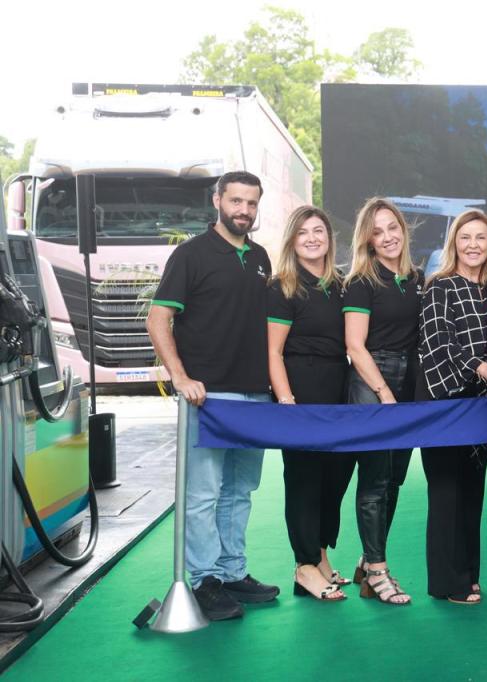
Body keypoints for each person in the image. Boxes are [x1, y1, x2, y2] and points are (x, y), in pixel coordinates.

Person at [146, 170, 280, 621]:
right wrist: (180, 376)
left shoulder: (260, 257)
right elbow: (158, 318)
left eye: (251, 203)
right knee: (203, 494)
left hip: (255, 397)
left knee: (240, 490)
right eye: (236, 201)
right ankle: (204, 581)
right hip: (209, 398)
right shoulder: (191, 254)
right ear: (217, 200)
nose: (244, 210)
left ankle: (231, 572)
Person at [418, 209, 487, 605]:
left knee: (472, 493)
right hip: (446, 402)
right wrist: (481, 368)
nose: (473, 245)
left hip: (482, 405)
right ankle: (447, 581)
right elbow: (438, 342)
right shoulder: (439, 286)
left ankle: (469, 574)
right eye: (465, 237)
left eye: (481, 238)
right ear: (454, 242)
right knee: (446, 494)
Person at [267, 205, 353, 602]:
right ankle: (303, 566)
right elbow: (273, 351)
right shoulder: (282, 287)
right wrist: (286, 400)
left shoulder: (340, 285)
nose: (312, 238)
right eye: (303, 232)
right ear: (292, 240)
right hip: (300, 390)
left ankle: (319, 555)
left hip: (338, 389)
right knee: (304, 479)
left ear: (329, 239)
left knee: (335, 475)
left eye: (319, 230)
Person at [342, 197, 422, 606]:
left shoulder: (417, 277)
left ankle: (367, 561)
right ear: (368, 240)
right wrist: (384, 392)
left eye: (392, 227)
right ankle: (377, 571)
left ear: (403, 230)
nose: (388, 237)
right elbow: (355, 346)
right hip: (371, 382)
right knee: (374, 481)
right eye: (378, 231)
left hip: (409, 381)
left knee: (394, 479)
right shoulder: (361, 281)